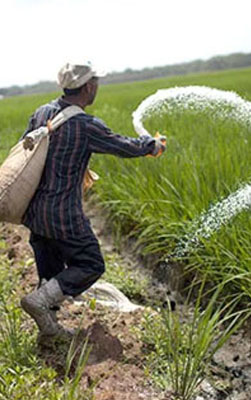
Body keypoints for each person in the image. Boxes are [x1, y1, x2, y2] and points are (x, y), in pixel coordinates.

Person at [19, 61, 166, 341]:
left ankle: (48, 330)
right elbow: (122, 146)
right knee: (90, 264)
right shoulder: (84, 124)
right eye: (95, 82)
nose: (96, 87)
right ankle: (38, 303)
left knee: (51, 274)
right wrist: (152, 145)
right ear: (88, 87)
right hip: (64, 214)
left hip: (36, 213)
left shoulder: (42, 113)